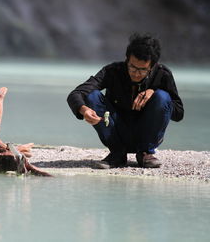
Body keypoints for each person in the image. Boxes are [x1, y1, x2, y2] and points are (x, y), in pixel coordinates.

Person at [67, 33, 184, 169]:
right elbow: (76, 93)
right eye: (132, 67)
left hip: (147, 135)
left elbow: (179, 113)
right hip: (115, 133)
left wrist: (154, 92)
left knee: (163, 97)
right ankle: (117, 154)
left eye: (142, 70)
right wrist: (84, 110)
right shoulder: (112, 71)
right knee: (91, 96)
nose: (136, 73)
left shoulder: (162, 74)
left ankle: (145, 153)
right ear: (127, 60)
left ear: (152, 67)